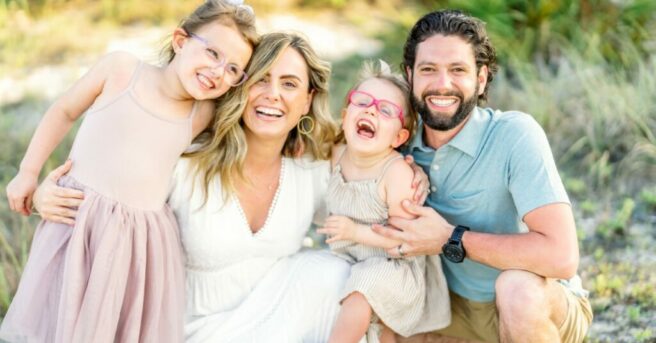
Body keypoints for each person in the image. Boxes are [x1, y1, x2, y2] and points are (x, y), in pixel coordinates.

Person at [26, 32, 431, 342]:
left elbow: (375, 170)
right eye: (261, 80)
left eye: (289, 84)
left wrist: (406, 171)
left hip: (277, 319)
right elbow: (112, 186)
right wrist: (47, 189)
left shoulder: (315, 168)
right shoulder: (186, 158)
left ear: (308, 101)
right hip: (187, 327)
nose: (273, 95)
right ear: (240, 87)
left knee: (335, 274)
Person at [1, 1, 257, 341]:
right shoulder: (122, 70)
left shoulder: (203, 114)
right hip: (80, 222)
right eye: (213, 53)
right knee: (57, 315)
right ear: (180, 40)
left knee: (112, 326)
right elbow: (64, 110)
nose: (218, 71)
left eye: (233, 69)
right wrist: (28, 173)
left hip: (138, 242)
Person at [370, 9, 593, 343]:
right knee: (366, 291)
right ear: (410, 75)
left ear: (482, 77)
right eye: (428, 69)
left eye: (457, 70)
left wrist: (450, 238)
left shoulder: (514, 135)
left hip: (527, 306)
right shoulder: (396, 142)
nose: (442, 84)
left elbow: (561, 257)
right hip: (447, 310)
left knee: (517, 289)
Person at [318, 61, 450, 343]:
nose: (371, 109)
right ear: (345, 116)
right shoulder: (335, 154)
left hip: (395, 268)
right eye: (362, 101)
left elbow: (405, 240)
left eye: (386, 110)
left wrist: (354, 232)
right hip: (352, 258)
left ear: (400, 137)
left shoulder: (396, 174)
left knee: (363, 289)